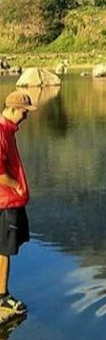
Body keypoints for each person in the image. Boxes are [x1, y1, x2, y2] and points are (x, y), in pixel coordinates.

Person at [0, 91, 37, 318]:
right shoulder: (1, 132)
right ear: (13, 109)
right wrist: (17, 186)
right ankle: (2, 296)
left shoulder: (8, 131)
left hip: (7, 200)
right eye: (24, 111)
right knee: (3, 250)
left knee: (2, 249)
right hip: (5, 200)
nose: (26, 116)